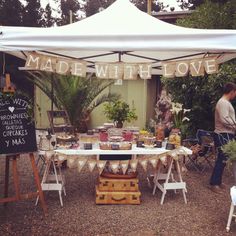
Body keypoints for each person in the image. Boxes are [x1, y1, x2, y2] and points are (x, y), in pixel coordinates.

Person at [210, 82, 236, 193]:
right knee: (222, 158)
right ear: (232, 92)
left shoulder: (225, 102)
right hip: (222, 134)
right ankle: (214, 183)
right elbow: (224, 119)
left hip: (226, 133)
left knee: (224, 159)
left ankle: (218, 181)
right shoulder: (223, 102)